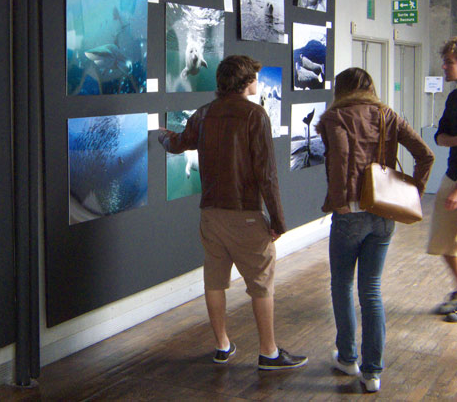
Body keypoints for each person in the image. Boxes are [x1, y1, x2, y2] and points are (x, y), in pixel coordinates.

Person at [158, 55, 307, 370]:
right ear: (245, 81)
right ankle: (268, 352)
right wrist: (279, 221)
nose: (257, 80)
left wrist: (161, 136)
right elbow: (266, 174)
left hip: (210, 214)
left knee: (214, 280)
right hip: (245, 214)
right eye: (255, 75)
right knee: (261, 282)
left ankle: (222, 345)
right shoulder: (255, 115)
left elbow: (178, 144)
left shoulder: (204, 114)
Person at [316, 68, 434, 393]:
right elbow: (426, 155)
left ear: (340, 89)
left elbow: (339, 160)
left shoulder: (335, 117)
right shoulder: (387, 115)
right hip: (384, 214)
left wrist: (339, 201)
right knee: (371, 291)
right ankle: (372, 374)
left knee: (341, 284)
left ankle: (348, 357)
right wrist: (414, 192)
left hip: (350, 214)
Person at [429, 37, 457, 322]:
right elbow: (440, 137)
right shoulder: (453, 98)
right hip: (452, 174)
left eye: (449, 62)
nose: (444, 66)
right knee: (443, 241)